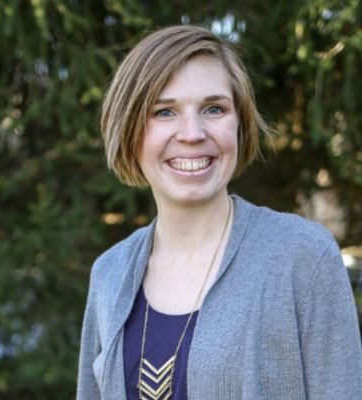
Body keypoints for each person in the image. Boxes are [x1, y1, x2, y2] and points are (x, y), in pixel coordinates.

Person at [76, 25, 362, 400]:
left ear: (239, 124)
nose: (192, 133)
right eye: (164, 112)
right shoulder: (109, 274)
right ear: (130, 131)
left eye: (214, 108)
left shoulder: (303, 256)